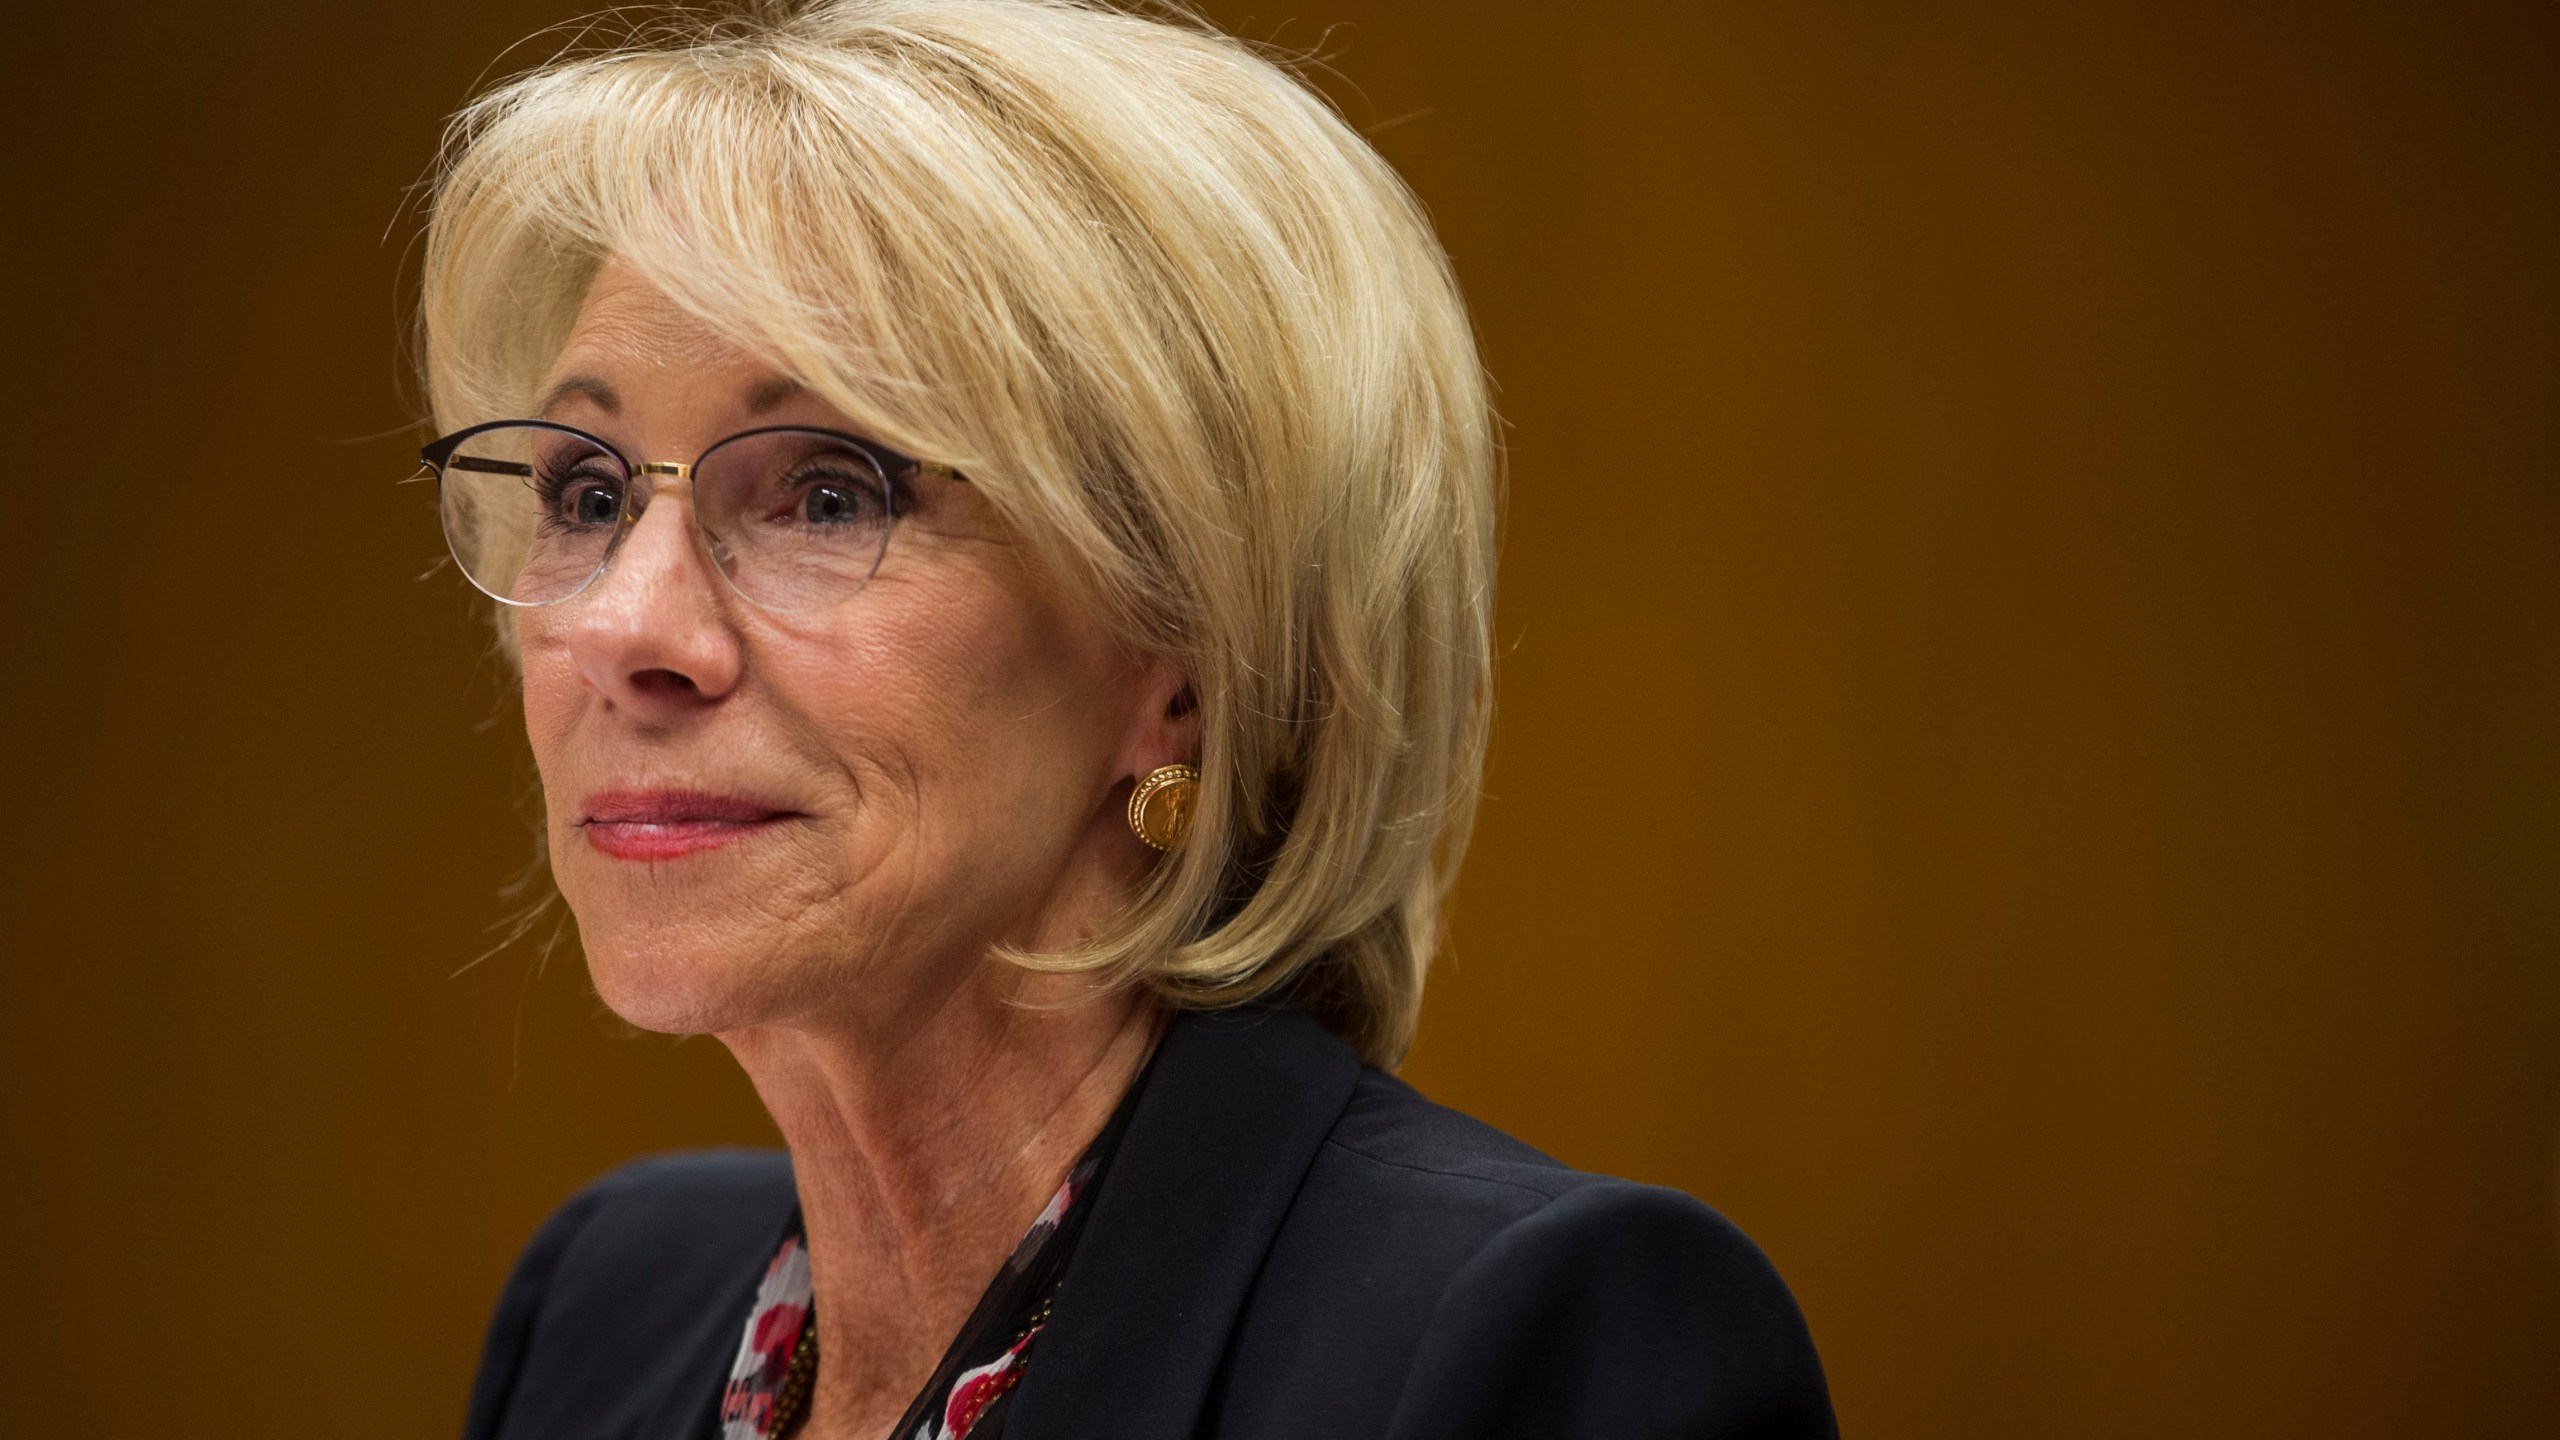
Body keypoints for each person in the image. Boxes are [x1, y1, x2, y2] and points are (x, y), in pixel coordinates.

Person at [420, 3, 1834, 1436]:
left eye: (829, 494)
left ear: (1185, 655)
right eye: (585, 496)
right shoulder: (601, 1313)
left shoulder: (1529, 1344)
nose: (621, 628)